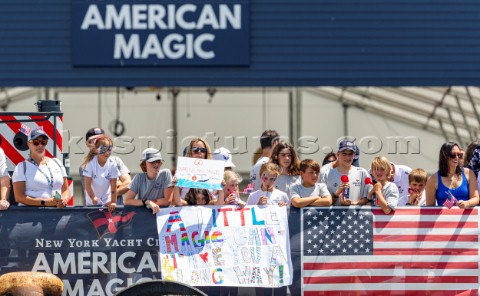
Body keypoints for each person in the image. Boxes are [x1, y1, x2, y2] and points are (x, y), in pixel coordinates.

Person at [12, 128, 70, 207]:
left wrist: (63, 200)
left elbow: (66, 190)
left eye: (43, 142)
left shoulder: (57, 162)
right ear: (29, 144)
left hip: (57, 213)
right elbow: (19, 197)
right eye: (36, 142)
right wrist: (44, 202)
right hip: (32, 215)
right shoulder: (21, 167)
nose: (40, 145)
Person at [80, 127, 131, 205]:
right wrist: (116, 184)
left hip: (116, 210)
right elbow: (91, 189)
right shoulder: (86, 166)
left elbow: (128, 183)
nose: (98, 142)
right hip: (95, 212)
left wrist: (109, 196)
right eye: (94, 140)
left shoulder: (116, 161)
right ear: (87, 144)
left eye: (102, 139)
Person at [426, 142, 479, 208]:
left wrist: (467, 203)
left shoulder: (469, 173)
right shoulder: (432, 180)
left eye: (459, 155)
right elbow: (429, 209)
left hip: (466, 217)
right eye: (453, 155)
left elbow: (476, 198)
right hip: (444, 217)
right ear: (444, 156)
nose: (457, 158)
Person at [320, 139, 370, 206]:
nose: (347, 157)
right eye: (344, 154)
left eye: (350, 154)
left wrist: (351, 203)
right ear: (338, 154)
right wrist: (337, 193)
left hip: (356, 215)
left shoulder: (362, 173)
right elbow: (323, 202)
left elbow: (368, 199)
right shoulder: (327, 174)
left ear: (354, 155)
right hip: (333, 215)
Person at [124, 148, 173, 214]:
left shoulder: (166, 173)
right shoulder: (139, 177)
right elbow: (127, 201)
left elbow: (167, 201)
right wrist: (147, 202)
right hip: (144, 218)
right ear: (144, 163)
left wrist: (149, 203)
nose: (156, 164)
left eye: (158, 161)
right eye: (152, 161)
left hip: (161, 217)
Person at [82, 136, 118, 212]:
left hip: (107, 201)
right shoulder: (90, 164)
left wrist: (113, 202)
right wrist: (93, 197)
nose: (107, 153)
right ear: (96, 149)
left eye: (109, 149)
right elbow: (87, 185)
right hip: (92, 202)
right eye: (104, 149)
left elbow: (113, 186)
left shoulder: (113, 164)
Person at [173, 137, 213, 204]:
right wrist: (189, 205)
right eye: (195, 150)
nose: (199, 152)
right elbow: (174, 200)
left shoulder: (213, 171)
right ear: (190, 152)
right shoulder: (182, 171)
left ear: (206, 153)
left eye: (203, 150)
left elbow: (217, 199)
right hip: (186, 210)